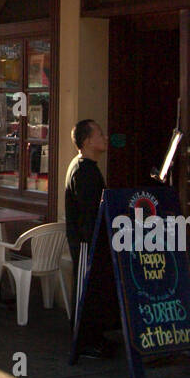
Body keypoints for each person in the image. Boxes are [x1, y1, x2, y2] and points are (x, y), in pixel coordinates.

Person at [64, 118, 116, 358]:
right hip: (87, 241)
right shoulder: (84, 170)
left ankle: (93, 336)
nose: (105, 138)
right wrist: (94, 238)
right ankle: (83, 341)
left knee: (94, 288)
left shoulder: (86, 167)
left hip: (89, 239)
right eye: (100, 134)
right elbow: (88, 211)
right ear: (86, 141)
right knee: (87, 287)